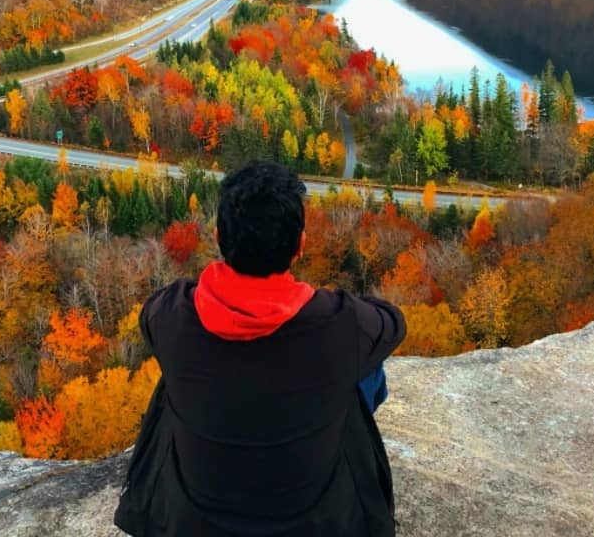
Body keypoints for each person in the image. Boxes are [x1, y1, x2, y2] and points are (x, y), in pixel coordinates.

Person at [115, 161, 406, 536]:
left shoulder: (172, 314)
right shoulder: (340, 325)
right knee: (363, 368)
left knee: (174, 377)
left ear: (219, 236)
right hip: (311, 519)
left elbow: (149, 317)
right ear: (300, 244)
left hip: (194, 517)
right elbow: (393, 322)